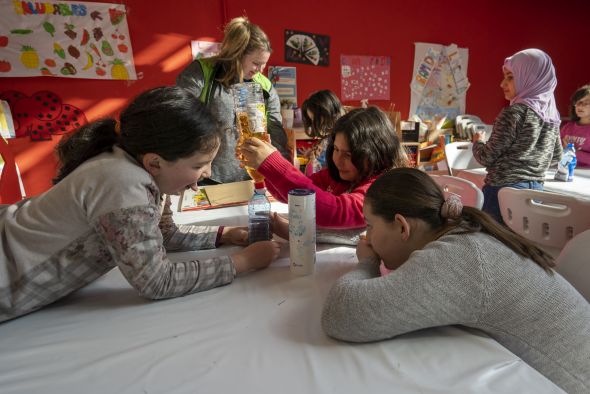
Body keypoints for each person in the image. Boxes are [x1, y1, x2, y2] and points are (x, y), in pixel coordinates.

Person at [0, 86, 280, 323]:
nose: (207, 173)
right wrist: (243, 262)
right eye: (199, 165)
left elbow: (163, 234)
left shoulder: (138, 168)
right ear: (154, 162)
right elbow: (156, 280)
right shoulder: (123, 183)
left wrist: (225, 235)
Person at [321, 167, 590, 393]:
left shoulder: (457, 260)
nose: (366, 235)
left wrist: (367, 263)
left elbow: (344, 313)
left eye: (370, 225)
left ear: (403, 227)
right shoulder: (463, 233)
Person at [238, 106, 408, 241]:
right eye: (336, 149)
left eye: (349, 155)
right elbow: (292, 194)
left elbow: (334, 212)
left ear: (378, 154)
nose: (338, 160)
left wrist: (273, 164)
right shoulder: (337, 175)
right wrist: (263, 168)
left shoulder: (380, 190)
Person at [176, 16, 290, 184]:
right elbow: (178, 117)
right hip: (206, 175)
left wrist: (279, 169)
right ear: (237, 54)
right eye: (256, 63)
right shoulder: (201, 72)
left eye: (264, 64)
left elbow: (276, 129)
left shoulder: (263, 86)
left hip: (251, 175)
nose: (260, 70)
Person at [472, 48, 562, 223]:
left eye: (510, 77)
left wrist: (478, 142)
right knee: (519, 243)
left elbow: (486, 157)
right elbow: (556, 157)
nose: (502, 84)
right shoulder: (552, 118)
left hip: (502, 193)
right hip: (535, 193)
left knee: (492, 242)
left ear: (530, 78)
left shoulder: (514, 113)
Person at [300, 90, 345, 175]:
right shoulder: (329, 136)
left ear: (327, 114)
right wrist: (313, 154)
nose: (315, 125)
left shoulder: (341, 137)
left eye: (315, 119)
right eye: (312, 120)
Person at [560, 84, 590, 167]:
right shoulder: (567, 127)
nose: (580, 105)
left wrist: (573, 152)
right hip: (564, 171)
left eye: (586, 103)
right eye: (578, 102)